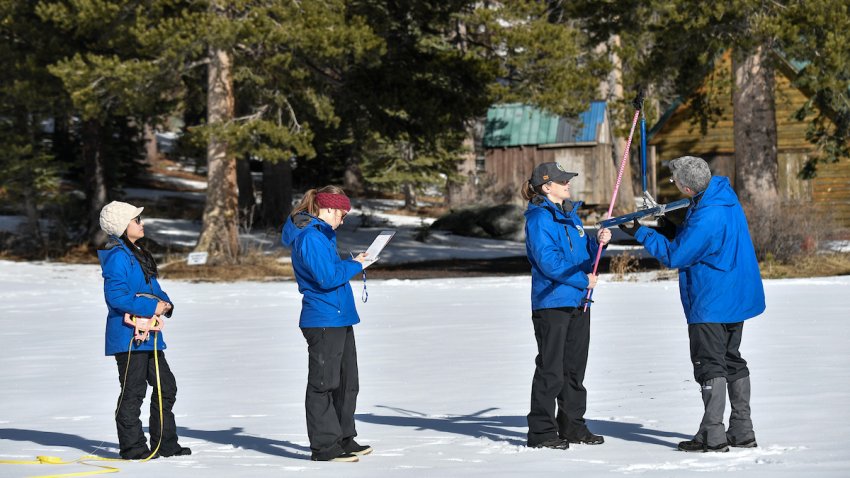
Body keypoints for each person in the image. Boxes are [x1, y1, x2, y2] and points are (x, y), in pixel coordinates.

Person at [619, 156, 764, 452]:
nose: (674, 186)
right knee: (731, 359)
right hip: (733, 295)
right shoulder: (722, 197)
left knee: (710, 364)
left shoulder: (707, 214)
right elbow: (697, 239)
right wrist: (665, 223)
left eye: (675, 183)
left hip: (712, 299)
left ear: (687, 187)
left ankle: (713, 435)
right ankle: (742, 431)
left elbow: (676, 255)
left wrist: (641, 232)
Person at [522, 162, 612, 449]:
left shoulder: (571, 217)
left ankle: (572, 425)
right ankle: (541, 432)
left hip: (578, 301)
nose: (568, 184)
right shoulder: (539, 219)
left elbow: (584, 255)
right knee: (551, 369)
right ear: (547, 186)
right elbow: (548, 261)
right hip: (552, 302)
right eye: (562, 181)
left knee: (574, 369)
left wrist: (599, 244)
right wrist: (581, 279)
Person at [280, 186, 372, 463]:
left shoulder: (322, 235)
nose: (343, 220)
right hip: (322, 319)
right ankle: (324, 447)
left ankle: (344, 438)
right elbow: (326, 277)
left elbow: (330, 272)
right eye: (342, 214)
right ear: (329, 209)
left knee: (347, 383)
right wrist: (355, 265)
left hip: (339, 316)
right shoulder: (310, 237)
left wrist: (353, 264)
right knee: (323, 383)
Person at [97, 201, 190, 460]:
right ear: (122, 226)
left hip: (150, 335)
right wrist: (152, 307)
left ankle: (165, 444)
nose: (142, 223)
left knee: (165, 386)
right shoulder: (118, 257)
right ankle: (133, 447)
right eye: (136, 220)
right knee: (133, 391)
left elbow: (154, 289)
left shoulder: (137, 254)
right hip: (128, 336)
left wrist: (166, 304)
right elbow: (116, 297)